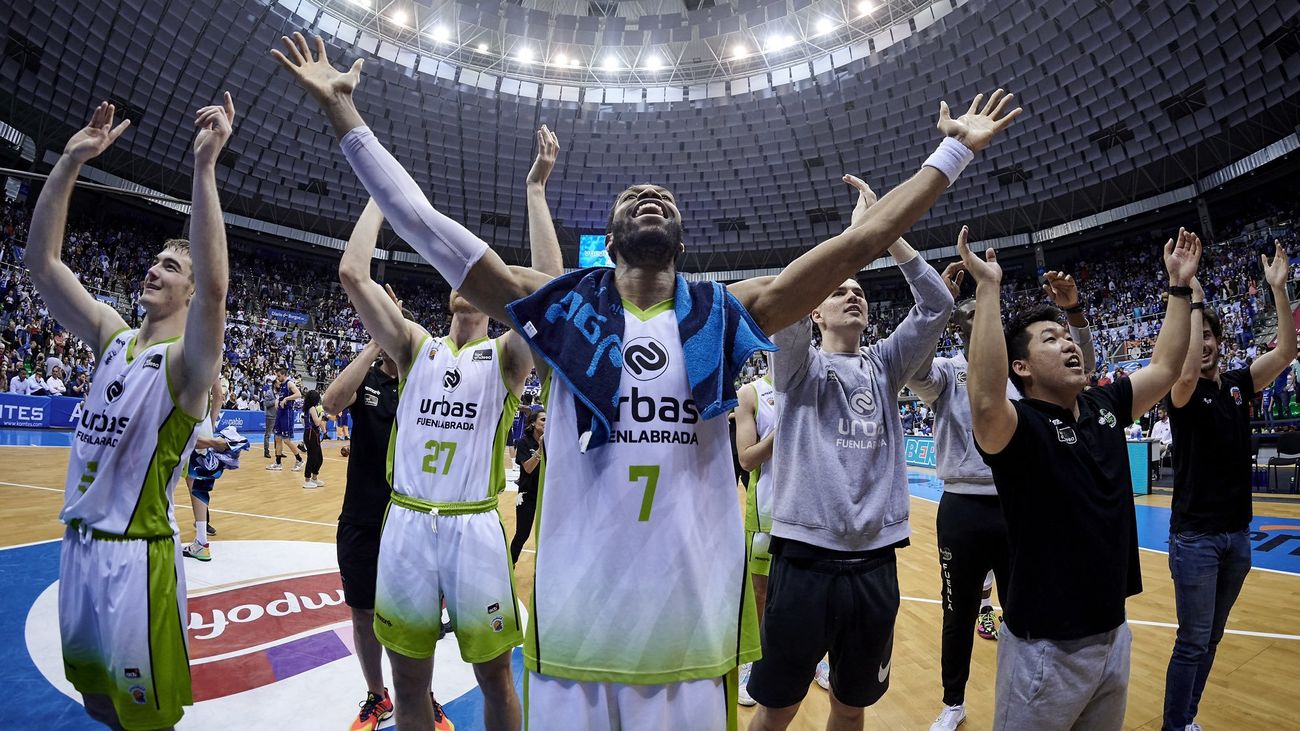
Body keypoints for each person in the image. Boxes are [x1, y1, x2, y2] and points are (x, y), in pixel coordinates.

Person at [273, 31, 1019, 727]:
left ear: (680, 239)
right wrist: (344, 111)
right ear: (613, 235)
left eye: (662, 198)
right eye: (632, 198)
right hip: (575, 628)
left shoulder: (724, 310)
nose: (649, 197)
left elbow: (862, 242)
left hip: (688, 633)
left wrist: (951, 153)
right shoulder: (564, 310)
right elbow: (423, 223)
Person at [28, 95, 234, 730]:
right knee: (95, 700)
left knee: (147, 719)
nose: (154, 269)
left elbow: (217, 290)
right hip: (80, 548)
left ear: (189, 290)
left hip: (137, 560)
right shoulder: (112, 336)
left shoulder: (187, 365)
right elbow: (43, 265)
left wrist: (204, 168)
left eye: (172, 266)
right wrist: (69, 162)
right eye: (155, 261)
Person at [330, 180, 558, 728]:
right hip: (406, 524)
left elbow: (552, 299)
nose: (463, 280)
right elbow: (353, 273)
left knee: (496, 678)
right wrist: (379, 192)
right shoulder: (415, 347)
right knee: (409, 681)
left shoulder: (506, 358)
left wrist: (533, 191)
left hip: (473, 529)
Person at [962, 228, 1201, 730]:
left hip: (1114, 634)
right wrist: (988, 289)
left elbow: (1165, 366)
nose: (1068, 344)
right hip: (1043, 650)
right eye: (1050, 340)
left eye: (1067, 337)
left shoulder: (1103, 405)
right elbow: (984, 398)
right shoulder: (1018, 427)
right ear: (1021, 367)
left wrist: (1179, 285)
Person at [747, 177, 955, 731]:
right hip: (804, 561)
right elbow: (787, 298)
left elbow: (937, 303)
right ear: (815, 312)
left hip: (875, 563)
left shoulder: (886, 365)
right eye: (839, 291)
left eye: (859, 290)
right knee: (778, 707)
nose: (854, 294)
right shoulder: (797, 366)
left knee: (850, 704)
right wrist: (853, 237)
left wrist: (885, 234)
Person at [909, 239, 1098, 731]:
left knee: (1025, 609)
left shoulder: (1023, 372)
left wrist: (1074, 316)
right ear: (958, 328)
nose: (980, 321)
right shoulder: (946, 372)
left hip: (1021, 505)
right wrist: (935, 309)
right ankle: (953, 702)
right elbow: (911, 368)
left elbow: (1084, 368)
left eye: (986, 313)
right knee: (957, 613)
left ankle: (1026, 695)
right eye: (969, 317)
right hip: (962, 509)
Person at [1162, 241, 1296, 731]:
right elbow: (1185, 367)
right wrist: (1194, 301)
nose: (1203, 344)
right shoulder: (1179, 392)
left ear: (1220, 342)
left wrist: (1278, 289)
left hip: (1237, 535)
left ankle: (1186, 718)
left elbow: (1286, 352)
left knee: (1211, 638)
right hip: (1195, 537)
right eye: (1196, 338)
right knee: (1192, 640)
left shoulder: (1239, 383)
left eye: (1209, 337)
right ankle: (1174, 726)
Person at [733, 362, 775, 707]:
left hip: (811, 513)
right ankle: (752, 662)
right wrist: (785, 429)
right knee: (759, 593)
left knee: (807, 593)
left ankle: (812, 658)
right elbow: (746, 460)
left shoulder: (815, 380)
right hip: (766, 512)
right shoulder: (751, 393)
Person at [183, 381, 232, 562]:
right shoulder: (210, 366)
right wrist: (210, 423)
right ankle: (201, 542)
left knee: (162, 478)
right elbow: (219, 396)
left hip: (183, 424)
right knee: (197, 485)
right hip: (203, 425)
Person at [509, 407, 545, 564]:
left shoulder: (553, 443)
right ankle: (510, 566)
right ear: (533, 423)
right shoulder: (524, 442)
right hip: (527, 495)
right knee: (522, 535)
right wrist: (540, 449)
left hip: (546, 496)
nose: (546, 423)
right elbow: (528, 469)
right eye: (543, 419)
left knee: (547, 536)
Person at [267, 367, 304, 471]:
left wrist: (286, 399)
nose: (277, 378)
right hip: (280, 413)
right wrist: (277, 400)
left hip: (287, 414)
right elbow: (281, 397)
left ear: (284, 374)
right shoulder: (282, 385)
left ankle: (300, 460)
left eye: (279, 376)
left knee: (286, 440)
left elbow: (298, 394)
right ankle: (278, 463)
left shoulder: (289, 383)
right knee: (277, 438)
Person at [301, 389, 326, 488]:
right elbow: (317, 422)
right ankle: (307, 480)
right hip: (311, 434)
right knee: (312, 457)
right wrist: (321, 415)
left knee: (319, 458)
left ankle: (314, 478)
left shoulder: (308, 408)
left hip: (312, 434)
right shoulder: (311, 408)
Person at [260, 378, 276, 458]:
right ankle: (266, 451)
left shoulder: (279, 393)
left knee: (277, 434)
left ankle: (278, 451)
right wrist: (275, 401)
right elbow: (266, 403)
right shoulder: (269, 392)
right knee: (268, 434)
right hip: (270, 416)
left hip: (277, 416)